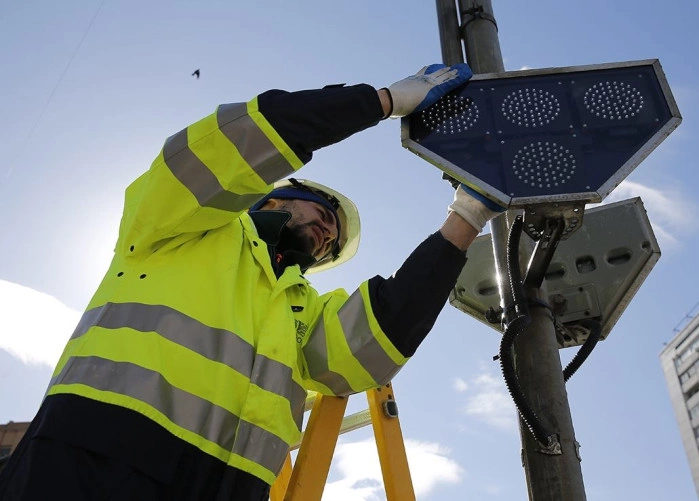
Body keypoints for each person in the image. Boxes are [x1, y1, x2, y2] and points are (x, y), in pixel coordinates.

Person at [0, 63, 505, 500]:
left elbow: (376, 340)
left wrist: (467, 211)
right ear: (270, 199)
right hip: (97, 456)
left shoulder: (299, 306)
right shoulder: (182, 225)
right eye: (325, 210)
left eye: (333, 240)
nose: (329, 230)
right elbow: (232, 147)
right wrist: (383, 101)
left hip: (229, 486)